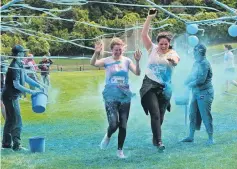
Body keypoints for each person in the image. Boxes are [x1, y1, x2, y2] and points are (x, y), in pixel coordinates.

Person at [90, 38, 141, 158]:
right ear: (111, 50)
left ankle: (120, 150)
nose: (118, 52)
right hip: (111, 96)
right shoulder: (107, 61)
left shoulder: (127, 61)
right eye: (116, 50)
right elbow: (93, 63)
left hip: (124, 96)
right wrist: (96, 53)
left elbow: (137, 73)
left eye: (120, 49)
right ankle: (108, 135)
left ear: (123, 49)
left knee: (123, 124)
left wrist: (137, 62)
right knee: (113, 124)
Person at [140, 9, 180, 152]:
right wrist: (149, 18)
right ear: (158, 43)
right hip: (149, 85)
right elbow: (144, 34)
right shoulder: (152, 49)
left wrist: (172, 60)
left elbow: (175, 60)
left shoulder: (173, 53)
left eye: (166, 44)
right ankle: (159, 141)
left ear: (169, 43)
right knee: (155, 114)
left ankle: (155, 137)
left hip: (165, 88)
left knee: (160, 117)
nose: (163, 46)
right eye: (161, 44)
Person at [1, 45, 45, 151]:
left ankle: (6, 144)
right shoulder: (15, 65)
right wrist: (31, 91)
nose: (24, 54)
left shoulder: (20, 64)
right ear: (18, 54)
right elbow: (16, 85)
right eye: (23, 52)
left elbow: (25, 78)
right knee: (17, 121)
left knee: (10, 120)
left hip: (10, 96)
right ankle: (17, 145)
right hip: (11, 96)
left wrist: (39, 85)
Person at [181, 44, 214, 145]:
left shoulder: (204, 64)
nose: (193, 54)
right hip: (196, 93)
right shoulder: (196, 63)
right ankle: (191, 136)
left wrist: (189, 85)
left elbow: (200, 80)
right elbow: (192, 75)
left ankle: (211, 138)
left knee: (205, 115)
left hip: (205, 93)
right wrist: (184, 82)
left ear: (199, 52)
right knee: (192, 114)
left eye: (195, 52)